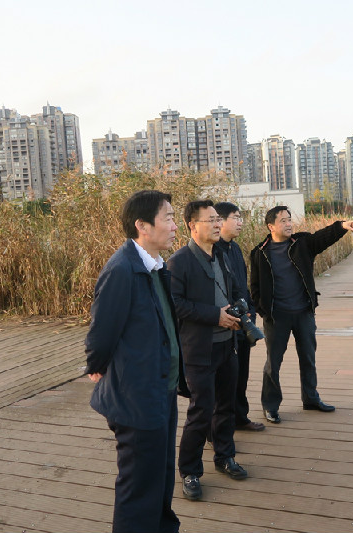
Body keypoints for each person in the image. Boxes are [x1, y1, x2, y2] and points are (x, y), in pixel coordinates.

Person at [85, 190, 188, 533]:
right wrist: (97, 365)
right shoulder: (122, 270)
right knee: (139, 486)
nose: (175, 226)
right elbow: (101, 333)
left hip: (161, 389)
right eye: (168, 218)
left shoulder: (155, 266)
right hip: (137, 397)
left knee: (161, 475)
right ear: (142, 226)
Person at [168, 199, 249, 502]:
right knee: (201, 411)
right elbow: (177, 304)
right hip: (199, 349)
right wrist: (215, 316)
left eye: (218, 219)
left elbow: (237, 290)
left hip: (228, 344)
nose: (218, 224)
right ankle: (190, 471)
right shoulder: (179, 261)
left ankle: (225, 457)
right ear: (192, 225)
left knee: (226, 407)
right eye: (211, 220)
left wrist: (241, 311)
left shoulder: (223, 256)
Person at [250, 206, 353, 424]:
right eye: (283, 221)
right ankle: (270, 406)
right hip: (277, 317)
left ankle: (310, 398)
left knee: (308, 358)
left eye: (289, 219)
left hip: (303, 313)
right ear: (271, 226)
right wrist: (264, 311)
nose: (288, 224)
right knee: (273, 363)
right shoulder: (259, 253)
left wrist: (341, 226)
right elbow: (254, 287)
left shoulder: (301, 244)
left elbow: (322, 237)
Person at [214, 201, 265, 432]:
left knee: (241, 373)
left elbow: (242, 285)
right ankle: (221, 427)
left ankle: (240, 417)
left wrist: (251, 310)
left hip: (244, 320)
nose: (240, 222)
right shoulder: (214, 250)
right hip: (226, 323)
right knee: (226, 379)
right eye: (235, 217)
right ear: (221, 221)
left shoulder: (234, 248)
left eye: (240, 217)